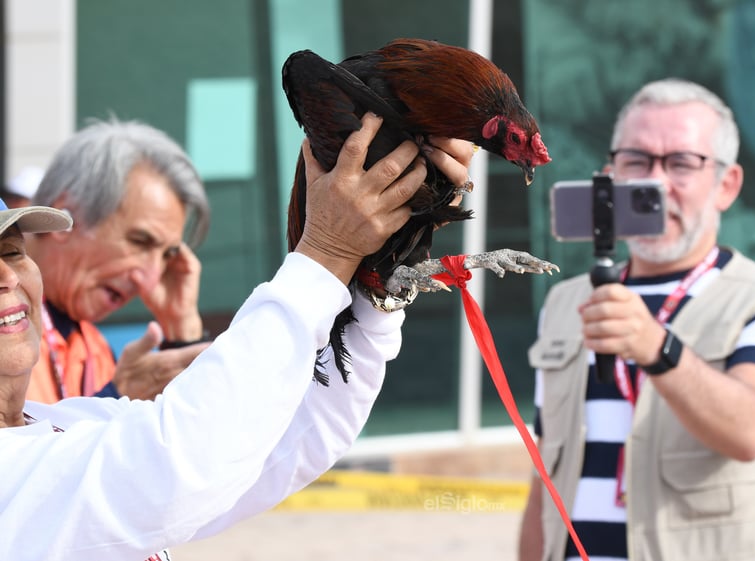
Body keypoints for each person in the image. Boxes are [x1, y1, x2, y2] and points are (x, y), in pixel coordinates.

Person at [0, 113, 476, 560]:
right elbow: (177, 466)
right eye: (139, 242)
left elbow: (293, 435)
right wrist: (327, 250)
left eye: (12, 251)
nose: (6, 276)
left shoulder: (67, 420)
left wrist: (383, 267)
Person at [518, 79, 755, 561]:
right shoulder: (564, 303)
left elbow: (749, 432)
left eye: (682, 163)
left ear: (727, 185)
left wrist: (657, 348)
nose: (657, 182)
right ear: (610, 174)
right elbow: (547, 476)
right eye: (637, 161)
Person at [24, 119, 213, 403]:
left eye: (167, 255)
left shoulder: (96, 351)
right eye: (140, 242)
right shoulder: (10, 322)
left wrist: (181, 329)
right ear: (65, 219)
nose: (149, 280)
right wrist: (115, 397)